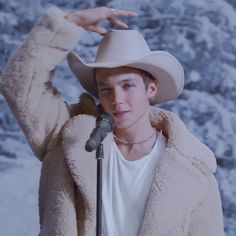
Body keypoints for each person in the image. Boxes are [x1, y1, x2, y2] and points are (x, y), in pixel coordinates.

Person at [0, 5, 225, 236]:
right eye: (106, 89)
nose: (117, 99)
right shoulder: (68, 136)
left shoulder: (193, 169)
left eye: (128, 85)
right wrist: (70, 23)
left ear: (151, 89)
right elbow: (18, 85)